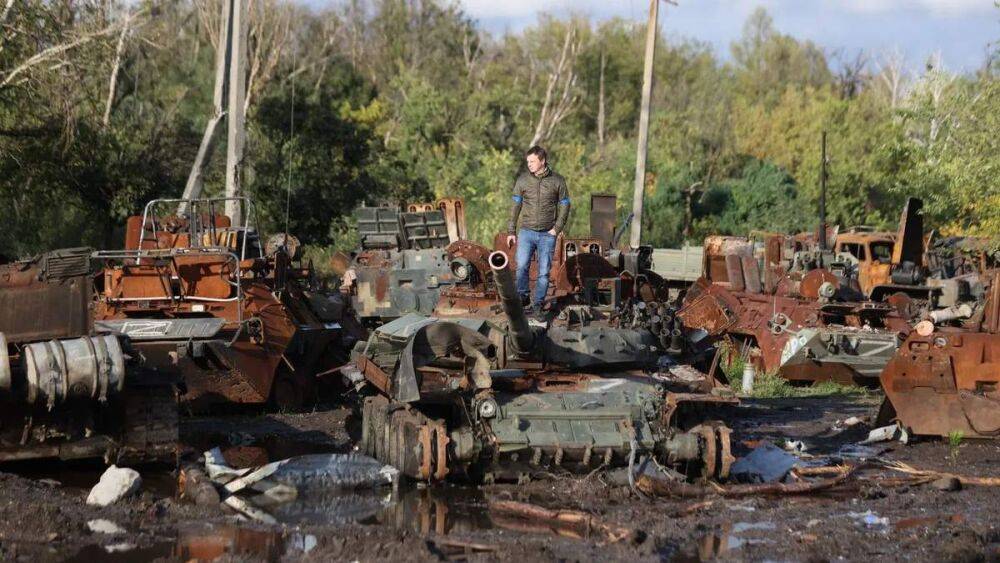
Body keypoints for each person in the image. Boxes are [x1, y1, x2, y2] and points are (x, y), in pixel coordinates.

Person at [506, 145, 570, 318]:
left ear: (542, 161)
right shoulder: (522, 180)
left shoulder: (558, 181)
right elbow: (515, 206)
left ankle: (538, 304)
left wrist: (556, 229)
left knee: (543, 272)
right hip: (526, 232)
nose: (529, 165)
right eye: (528, 162)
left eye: (532, 161)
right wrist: (511, 230)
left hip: (547, 235)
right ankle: (523, 296)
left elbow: (565, 205)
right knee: (521, 267)